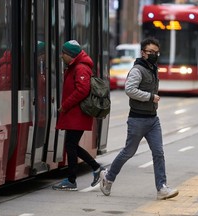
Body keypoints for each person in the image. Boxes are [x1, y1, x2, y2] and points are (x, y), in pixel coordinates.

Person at [99, 37, 179, 200]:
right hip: (137, 119)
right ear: (143, 53)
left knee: (158, 152)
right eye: (150, 52)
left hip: (153, 119)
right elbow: (129, 89)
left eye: (156, 52)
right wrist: (150, 97)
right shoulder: (138, 70)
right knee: (128, 152)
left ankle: (161, 188)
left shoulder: (152, 68)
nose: (154, 55)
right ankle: (108, 176)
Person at [52, 40, 105, 191]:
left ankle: (73, 179)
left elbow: (82, 90)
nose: (61, 56)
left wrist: (65, 105)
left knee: (71, 145)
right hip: (75, 114)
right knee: (72, 145)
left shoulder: (81, 68)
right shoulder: (75, 66)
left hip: (78, 114)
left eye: (63, 53)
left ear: (70, 55)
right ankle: (93, 170)